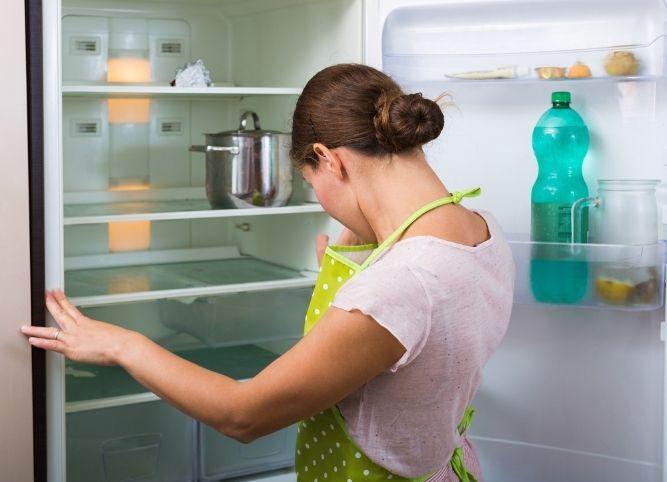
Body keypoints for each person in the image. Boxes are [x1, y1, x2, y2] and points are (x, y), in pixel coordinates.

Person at [23, 63, 514, 481]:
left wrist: (122, 344)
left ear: (326, 158)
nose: (320, 201)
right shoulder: (481, 230)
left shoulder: (398, 287)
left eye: (310, 181)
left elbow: (244, 415)